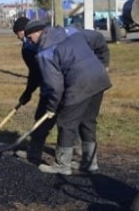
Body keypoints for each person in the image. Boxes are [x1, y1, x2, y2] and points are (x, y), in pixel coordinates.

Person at [23, 19, 112, 175]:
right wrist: (103, 64)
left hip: (79, 83)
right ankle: (90, 164)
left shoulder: (45, 53)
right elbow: (98, 37)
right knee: (87, 121)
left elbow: (54, 87)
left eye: (30, 38)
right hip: (99, 79)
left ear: (38, 33)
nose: (30, 42)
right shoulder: (70, 32)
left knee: (66, 123)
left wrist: (51, 108)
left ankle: (62, 165)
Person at [11, 17, 55, 165]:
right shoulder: (37, 43)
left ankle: (35, 154)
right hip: (57, 84)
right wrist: (28, 92)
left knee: (44, 119)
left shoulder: (31, 47)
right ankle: (70, 157)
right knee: (66, 121)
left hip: (53, 86)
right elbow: (34, 73)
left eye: (18, 33)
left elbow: (36, 73)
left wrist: (29, 92)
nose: (17, 37)